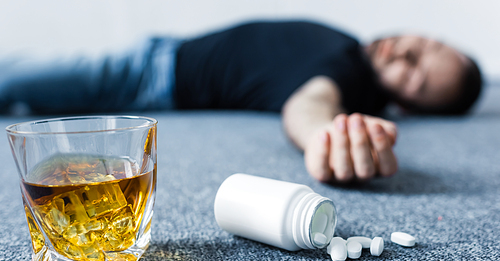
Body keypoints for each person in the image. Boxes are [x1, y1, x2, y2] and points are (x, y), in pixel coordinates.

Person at [0, 20, 482, 183]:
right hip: (164, 54)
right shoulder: (349, 50)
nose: (404, 50)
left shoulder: (347, 77)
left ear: (407, 108)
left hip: (149, 75)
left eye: (415, 73)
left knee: (13, 81)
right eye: (426, 44)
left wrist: (325, 136)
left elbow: (311, 103)